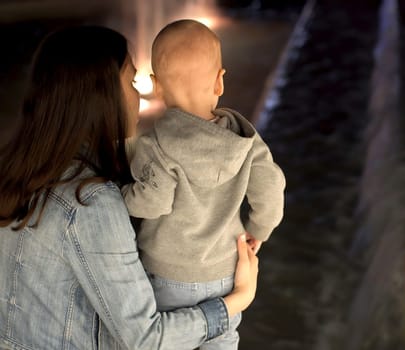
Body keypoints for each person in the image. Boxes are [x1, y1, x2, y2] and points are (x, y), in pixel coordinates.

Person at [0, 25, 258, 349]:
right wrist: (237, 300)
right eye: (133, 82)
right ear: (103, 98)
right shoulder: (90, 202)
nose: (140, 96)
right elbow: (146, 339)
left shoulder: (18, 171)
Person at [122, 19, 286, 349]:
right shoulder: (246, 141)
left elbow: (152, 202)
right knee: (222, 337)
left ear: (156, 86)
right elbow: (271, 190)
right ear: (219, 82)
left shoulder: (156, 145)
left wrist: (124, 195)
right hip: (225, 274)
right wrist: (259, 230)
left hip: (166, 274)